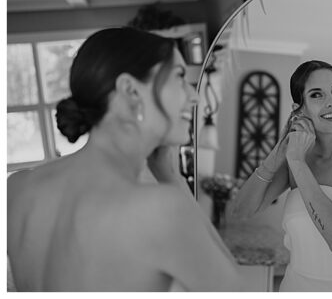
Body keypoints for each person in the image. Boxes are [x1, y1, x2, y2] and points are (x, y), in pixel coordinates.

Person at [7, 28, 241, 291]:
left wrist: (163, 168)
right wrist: (170, 177)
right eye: (179, 77)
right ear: (131, 91)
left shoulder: (17, 188)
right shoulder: (161, 210)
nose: (195, 95)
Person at [233, 60, 332, 291]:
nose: (331, 102)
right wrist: (279, 151)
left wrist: (298, 163)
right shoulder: (294, 158)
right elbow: (241, 210)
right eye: (316, 95)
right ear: (299, 109)